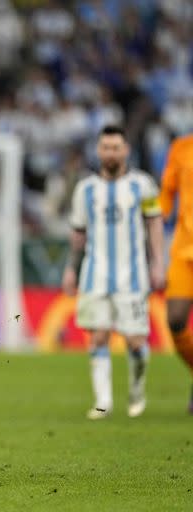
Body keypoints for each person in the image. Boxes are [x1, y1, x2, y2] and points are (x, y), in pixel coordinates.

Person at [62, 125, 164, 420]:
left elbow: (154, 224)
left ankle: (136, 390)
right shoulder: (86, 189)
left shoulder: (143, 185)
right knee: (98, 337)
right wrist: (72, 268)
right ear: (98, 150)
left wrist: (158, 263)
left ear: (126, 150)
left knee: (135, 341)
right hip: (95, 274)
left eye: (116, 147)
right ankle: (103, 401)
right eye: (105, 147)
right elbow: (78, 234)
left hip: (132, 276)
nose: (110, 152)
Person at [159, 132, 193, 413]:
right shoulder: (181, 148)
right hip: (184, 250)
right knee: (176, 320)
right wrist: (157, 218)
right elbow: (167, 191)